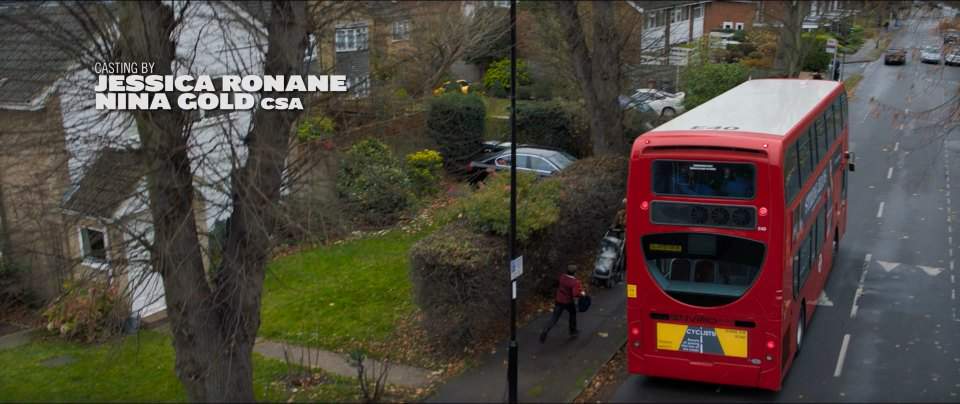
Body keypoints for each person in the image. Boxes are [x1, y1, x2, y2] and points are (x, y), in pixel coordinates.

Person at [540, 264, 586, 343]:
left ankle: (545, 330)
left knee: (554, 317)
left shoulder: (562, 277)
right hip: (568, 302)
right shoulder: (574, 282)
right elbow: (575, 294)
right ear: (574, 273)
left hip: (559, 300)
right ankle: (573, 331)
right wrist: (582, 294)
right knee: (573, 314)